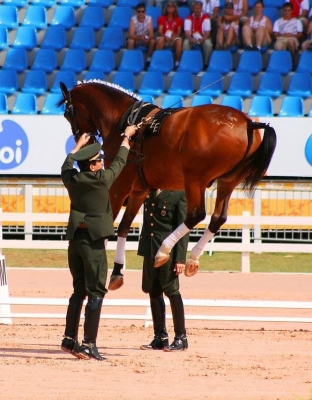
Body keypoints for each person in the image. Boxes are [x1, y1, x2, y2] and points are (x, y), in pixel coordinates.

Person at [60, 125, 137, 361]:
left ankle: (69, 339)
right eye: (99, 161)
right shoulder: (101, 180)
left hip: (75, 242)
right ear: (92, 165)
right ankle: (88, 343)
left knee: (78, 291)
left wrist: (77, 147)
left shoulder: (71, 179)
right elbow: (120, 162)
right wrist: (126, 137)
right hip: (93, 243)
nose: (102, 164)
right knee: (96, 293)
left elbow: (66, 165)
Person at [138, 189, 189, 352]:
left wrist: (180, 258)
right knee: (153, 291)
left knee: (172, 291)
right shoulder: (148, 190)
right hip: (150, 249)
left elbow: (183, 227)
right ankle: (160, 336)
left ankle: (181, 337)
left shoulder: (178, 193)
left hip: (168, 251)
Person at [183, 0, 213, 66]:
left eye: (198, 8)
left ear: (201, 9)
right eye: (195, 8)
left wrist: (203, 39)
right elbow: (187, 32)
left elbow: (207, 33)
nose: (197, 10)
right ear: (193, 9)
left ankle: (206, 63)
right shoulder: (188, 18)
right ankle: (187, 62)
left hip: (203, 37)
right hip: (192, 38)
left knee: (208, 44)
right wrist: (190, 38)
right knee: (185, 43)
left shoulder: (206, 18)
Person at [156, 1, 184, 68]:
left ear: (175, 8)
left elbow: (179, 32)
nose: (170, 7)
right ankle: (158, 61)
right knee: (160, 40)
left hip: (174, 38)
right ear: (166, 8)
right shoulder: (161, 18)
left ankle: (177, 63)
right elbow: (160, 31)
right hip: (164, 38)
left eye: (172, 6)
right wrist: (165, 37)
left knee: (179, 41)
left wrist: (173, 37)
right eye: (169, 6)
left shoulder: (179, 19)